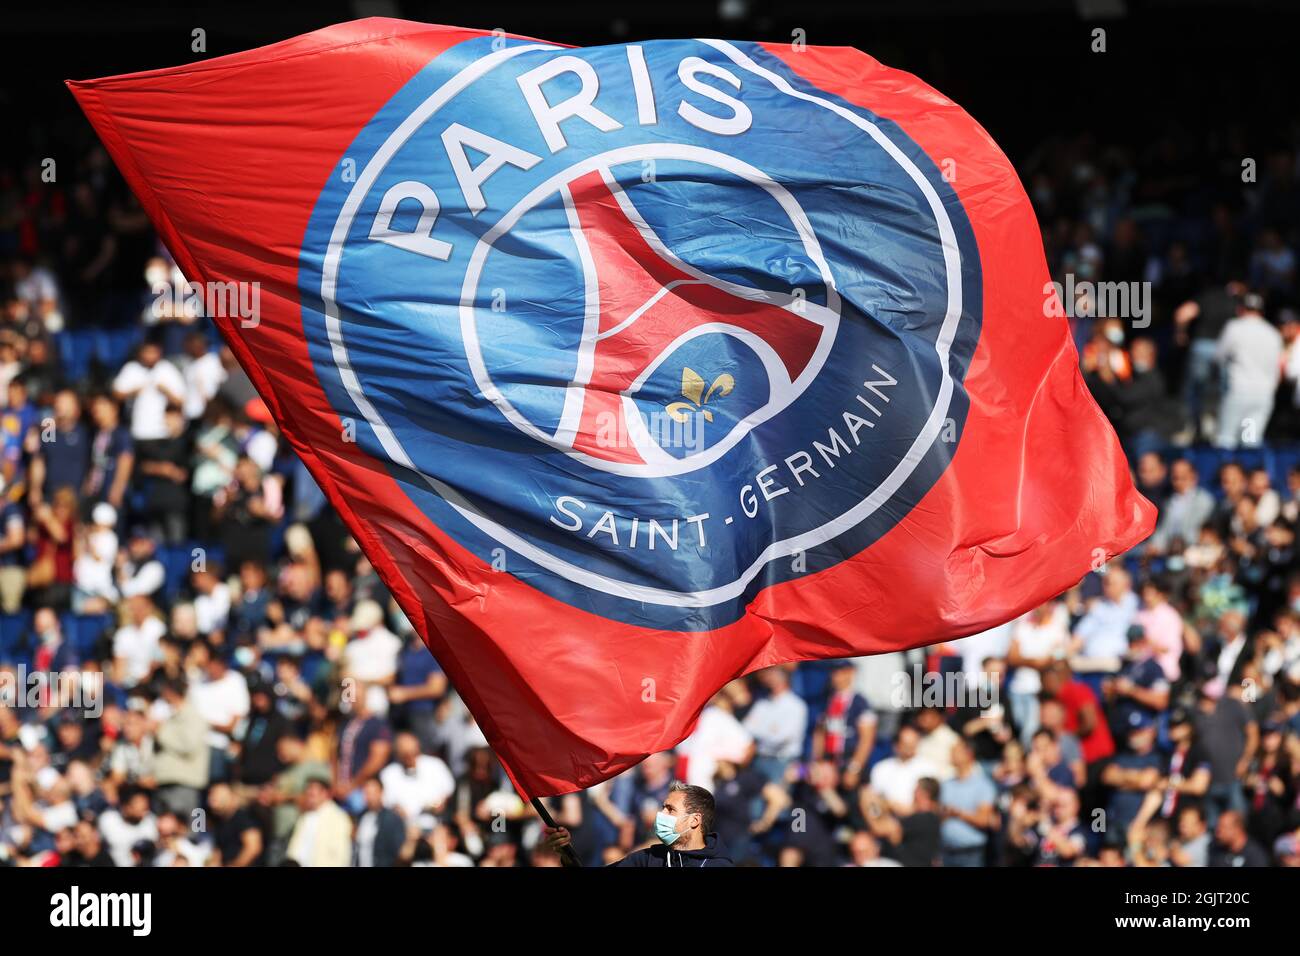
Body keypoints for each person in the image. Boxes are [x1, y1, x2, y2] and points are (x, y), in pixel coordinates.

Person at [542, 781, 734, 867]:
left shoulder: (718, 865)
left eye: (670, 809)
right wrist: (566, 853)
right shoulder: (648, 858)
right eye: (663, 807)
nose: (661, 814)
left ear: (694, 820)